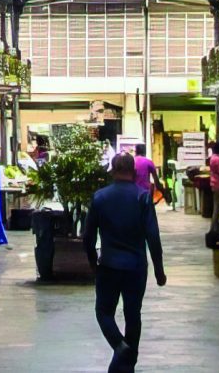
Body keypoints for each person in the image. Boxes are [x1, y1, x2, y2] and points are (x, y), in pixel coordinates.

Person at [83, 153, 165, 372]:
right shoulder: (143, 197)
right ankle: (127, 362)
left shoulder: (100, 197)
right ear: (135, 172)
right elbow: (153, 236)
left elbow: (88, 236)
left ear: (112, 170)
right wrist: (159, 269)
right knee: (133, 315)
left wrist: (92, 262)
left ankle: (119, 346)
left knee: (104, 312)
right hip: (136, 267)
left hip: (108, 265)